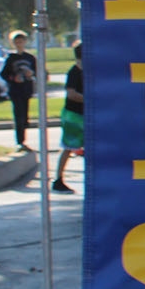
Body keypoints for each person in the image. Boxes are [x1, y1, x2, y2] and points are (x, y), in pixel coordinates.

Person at [52, 42, 83, 193]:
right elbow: (71, 94)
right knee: (69, 147)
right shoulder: (74, 72)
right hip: (73, 115)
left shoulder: (88, 71)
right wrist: (91, 99)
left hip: (83, 114)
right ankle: (58, 179)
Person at [0, 30, 38, 151]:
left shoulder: (30, 58)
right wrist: (13, 78)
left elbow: (38, 72)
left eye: (21, 42)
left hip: (26, 89)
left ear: (25, 42)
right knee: (18, 115)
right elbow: (3, 74)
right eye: (16, 42)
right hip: (15, 91)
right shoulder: (10, 58)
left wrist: (31, 73)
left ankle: (23, 139)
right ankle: (20, 142)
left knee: (25, 117)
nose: (19, 44)